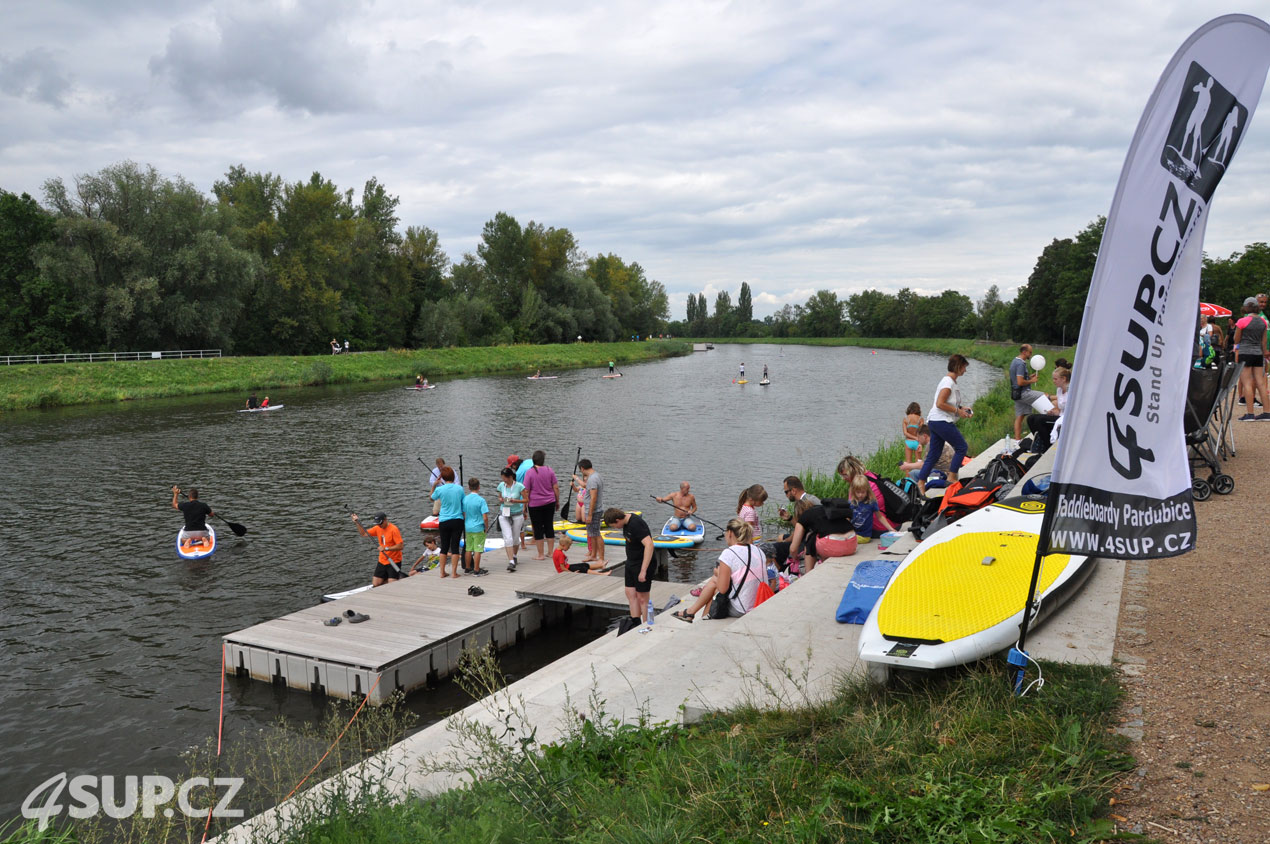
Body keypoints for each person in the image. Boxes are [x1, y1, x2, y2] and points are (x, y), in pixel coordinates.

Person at [671, 518, 764, 622]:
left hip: (742, 608)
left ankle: (695, 616)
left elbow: (722, 589)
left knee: (715, 585)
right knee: (715, 586)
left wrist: (719, 573)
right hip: (760, 602)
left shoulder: (729, 553)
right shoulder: (758, 550)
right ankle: (692, 613)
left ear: (729, 533)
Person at [916, 354, 973, 495]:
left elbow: (948, 403)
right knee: (961, 447)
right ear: (958, 367)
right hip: (941, 421)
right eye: (964, 367)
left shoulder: (949, 382)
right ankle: (952, 477)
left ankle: (921, 482)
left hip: (935, 421)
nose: (965, 371)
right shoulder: (948, 383)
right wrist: (957, 412)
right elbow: (940, 403)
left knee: (934, 454)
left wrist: (961, 409)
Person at [605, 508, 654, 631]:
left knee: (642, 597)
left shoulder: (636, 524)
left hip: (642, 564)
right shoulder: (625, 522)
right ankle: (635, 624)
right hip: (631, 562)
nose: (616, 528)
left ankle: (647, 626)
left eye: (614, 526)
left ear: (617, 520)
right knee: (630, 593)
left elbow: (649, 544)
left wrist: (643, 570)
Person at [785, 501, 857, 570]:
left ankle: (808, 574)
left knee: (810, 538)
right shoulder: (826, 509)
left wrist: (795, 559)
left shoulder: (804, 516)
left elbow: (793, 549)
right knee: (822, 535)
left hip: (834, 546)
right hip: (852, 543)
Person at [836, 456, 897, 536]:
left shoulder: (857, 487)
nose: (844, 478)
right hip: (893, 523)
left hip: (879, 529)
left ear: (852, 471)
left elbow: (852, 512)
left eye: (845, 475)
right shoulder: (871, 475)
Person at [1233, 296, 1270, 421]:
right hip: (1258, 354)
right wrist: (1263, 351)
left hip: (1245, 353)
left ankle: (1250, 414)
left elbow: (1236, 340)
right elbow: (1264, 342)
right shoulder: (1263, 322)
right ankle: (1267, 412)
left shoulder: (1242, 321)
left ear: (1246, 307)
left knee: (1247, 383)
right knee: (1260, 382)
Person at [900, 424, 976, 479]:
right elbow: (925, 463)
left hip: (943, 475)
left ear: (925, 436)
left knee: (913, 473)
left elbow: (923, 466)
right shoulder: (939, 440)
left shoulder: (931, 445)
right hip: (953, 472)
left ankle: (919, 495)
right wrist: (919, 454)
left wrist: (907, 466)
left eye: (918, 437)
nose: (917, 440)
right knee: (917, 471)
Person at [351, 512, 404, 587]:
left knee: (392, 585)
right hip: (382, 560)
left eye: (380, 523)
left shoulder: (394, 529)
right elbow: (363, 534)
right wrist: (357, 522)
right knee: (376, 584)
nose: (379, 525)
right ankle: (392, 579)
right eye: (377, 524)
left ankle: (395, 579)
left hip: (394, 561)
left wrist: (386, 548)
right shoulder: (378, 528)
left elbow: (401, 546)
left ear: (385, 520)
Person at [524, 450, 560, 560]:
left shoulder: (530, 472)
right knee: (549, 526)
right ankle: (550, 552)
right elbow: (556, 488)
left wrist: (524, 507)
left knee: (538, 528)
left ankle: (540, 554)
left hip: (535, 504)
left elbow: (527, 491)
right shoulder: (550, 470)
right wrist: (557, 501)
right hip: (549, 502)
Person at [430, 465, 465, 577]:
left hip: (444, 520)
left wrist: (434, 485)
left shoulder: (440, 489)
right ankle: (454, 573)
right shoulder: (459, 489)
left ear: (443, 478)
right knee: (455, 547)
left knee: (444, 547)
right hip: (457, 519)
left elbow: (431, 497)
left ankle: (442, 572)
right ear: (453, 476)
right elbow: (463, 504)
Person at [1027, 366, 1070, 452]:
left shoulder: (1071, 391)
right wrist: (1053, 412)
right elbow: (1061, 408)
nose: (1053, 381)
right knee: (1030, 418)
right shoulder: (1059, 390)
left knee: (1039, 420)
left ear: (1063, 379)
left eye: (1055, 379)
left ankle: (1047, 446)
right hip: (1060, 415)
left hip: (1066, 418)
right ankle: (1041, 441)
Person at [1010, 344, 1045, 439]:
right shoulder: (1020, 364)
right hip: (1024, 393)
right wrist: (1031, 381)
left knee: (1020, 417)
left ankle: (1017, 440)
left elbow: (1017, 379)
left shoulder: (1015, 361)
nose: (1031, 355)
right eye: (1030, 352)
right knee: (1045, 396)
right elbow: (1020, 382)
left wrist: (1029, 377)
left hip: (1016, 393)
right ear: (1024, 352)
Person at [574, 459, 605, 565]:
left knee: (596, 534)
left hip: (594, 511)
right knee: (591, 534)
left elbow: (593, 497)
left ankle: (601, 557)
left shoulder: (592, 479)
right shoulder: (597, 475)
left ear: (582, 468)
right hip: (592, 510)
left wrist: (590, 514)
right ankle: (593, 555)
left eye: (581, 470)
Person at [496, 466, 528, 571]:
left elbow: (526, 500)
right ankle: (511, 561)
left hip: (517, 514)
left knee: (515, 539)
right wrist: (501, 500)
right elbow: (499, 497)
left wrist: (515, 501)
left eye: (504, 478)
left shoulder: (519, 486)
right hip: (504, 514)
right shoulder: (501, 485)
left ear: (510, 477)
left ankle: (514, 555)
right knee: (508, 538)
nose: (503, 480)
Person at [462, 478, 490, 576]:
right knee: (478, 549)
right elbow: (485, 517)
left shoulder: (465, 499)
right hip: (478, 527)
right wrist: (486, 527)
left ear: (469, 487)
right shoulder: (481, 500)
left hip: (468, 527)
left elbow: (464, 514)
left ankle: (467, 568)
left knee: (468, 548)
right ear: (479, 487)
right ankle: (476, 570)